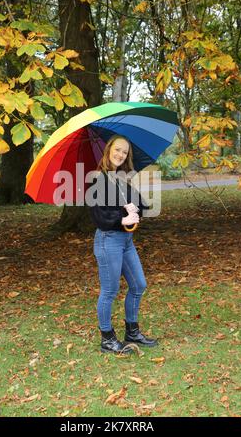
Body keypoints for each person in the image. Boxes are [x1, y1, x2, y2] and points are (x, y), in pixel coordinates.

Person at [88, 134, 158, 354]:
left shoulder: (120, 179)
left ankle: (132, 332)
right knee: (109, 290)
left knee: (138, 284)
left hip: (126, 241)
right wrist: (122, 219)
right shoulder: (97, 179)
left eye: (124, 152)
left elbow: (142, 206)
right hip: (108, 240)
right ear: (109, 150)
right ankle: (107, 339)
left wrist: (135, 209)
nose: (120, 154)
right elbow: (99, 217)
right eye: (117, 150)